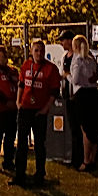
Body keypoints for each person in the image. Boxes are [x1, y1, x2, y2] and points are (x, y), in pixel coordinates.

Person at [10, 38, 60, 188]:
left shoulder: (51, 69)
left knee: (39, 144)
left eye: (41, 50)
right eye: (36, 50)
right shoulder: (26, 65)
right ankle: (19, 175)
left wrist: (45, 109)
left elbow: (54, 92)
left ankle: (40, 175)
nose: (39, 53)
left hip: (39, 111)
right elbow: (20, 84)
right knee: (22, 144)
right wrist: (18, 101)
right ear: (31, 51)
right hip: (25, 109)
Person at [69, 34, 98, 171]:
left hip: (82, 95)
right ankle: (93, 159)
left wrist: (67, 76)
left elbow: (76, 80)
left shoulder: (78, 60)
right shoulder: (91, 60)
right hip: (93, 94)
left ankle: (86, 160)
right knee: (94, 129)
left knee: (85, 130)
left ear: (75, 46)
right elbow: (97, 74)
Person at [58, 29, 84, 170]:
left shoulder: (78, 56)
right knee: (72, 128)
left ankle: (78, 159)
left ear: (70, 40)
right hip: (67, 94)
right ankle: (74, 158)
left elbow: (73, 77)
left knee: (77, 128)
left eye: (63, 40)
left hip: (77, 95)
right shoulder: (64, 57)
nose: (62, 43)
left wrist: (66, 75)